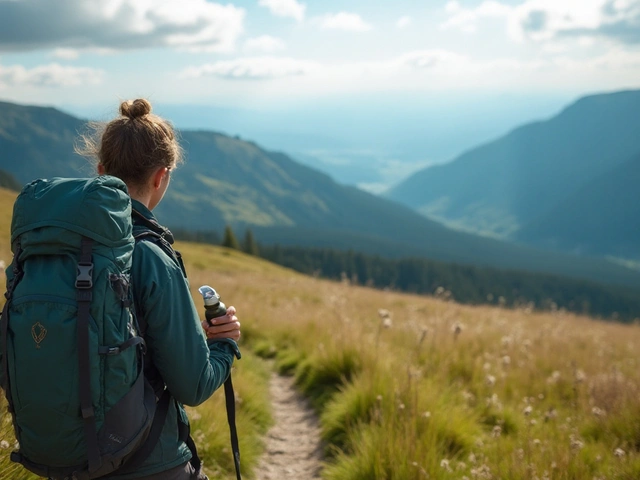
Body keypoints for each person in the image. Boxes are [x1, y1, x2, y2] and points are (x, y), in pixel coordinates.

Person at [76, 98, 241, 480]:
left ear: (101, 171)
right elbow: (193, 386)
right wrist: (224, 344)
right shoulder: (151, 256)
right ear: (160, 176)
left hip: (63, 458)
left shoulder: (58, 248)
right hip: (146, 461)